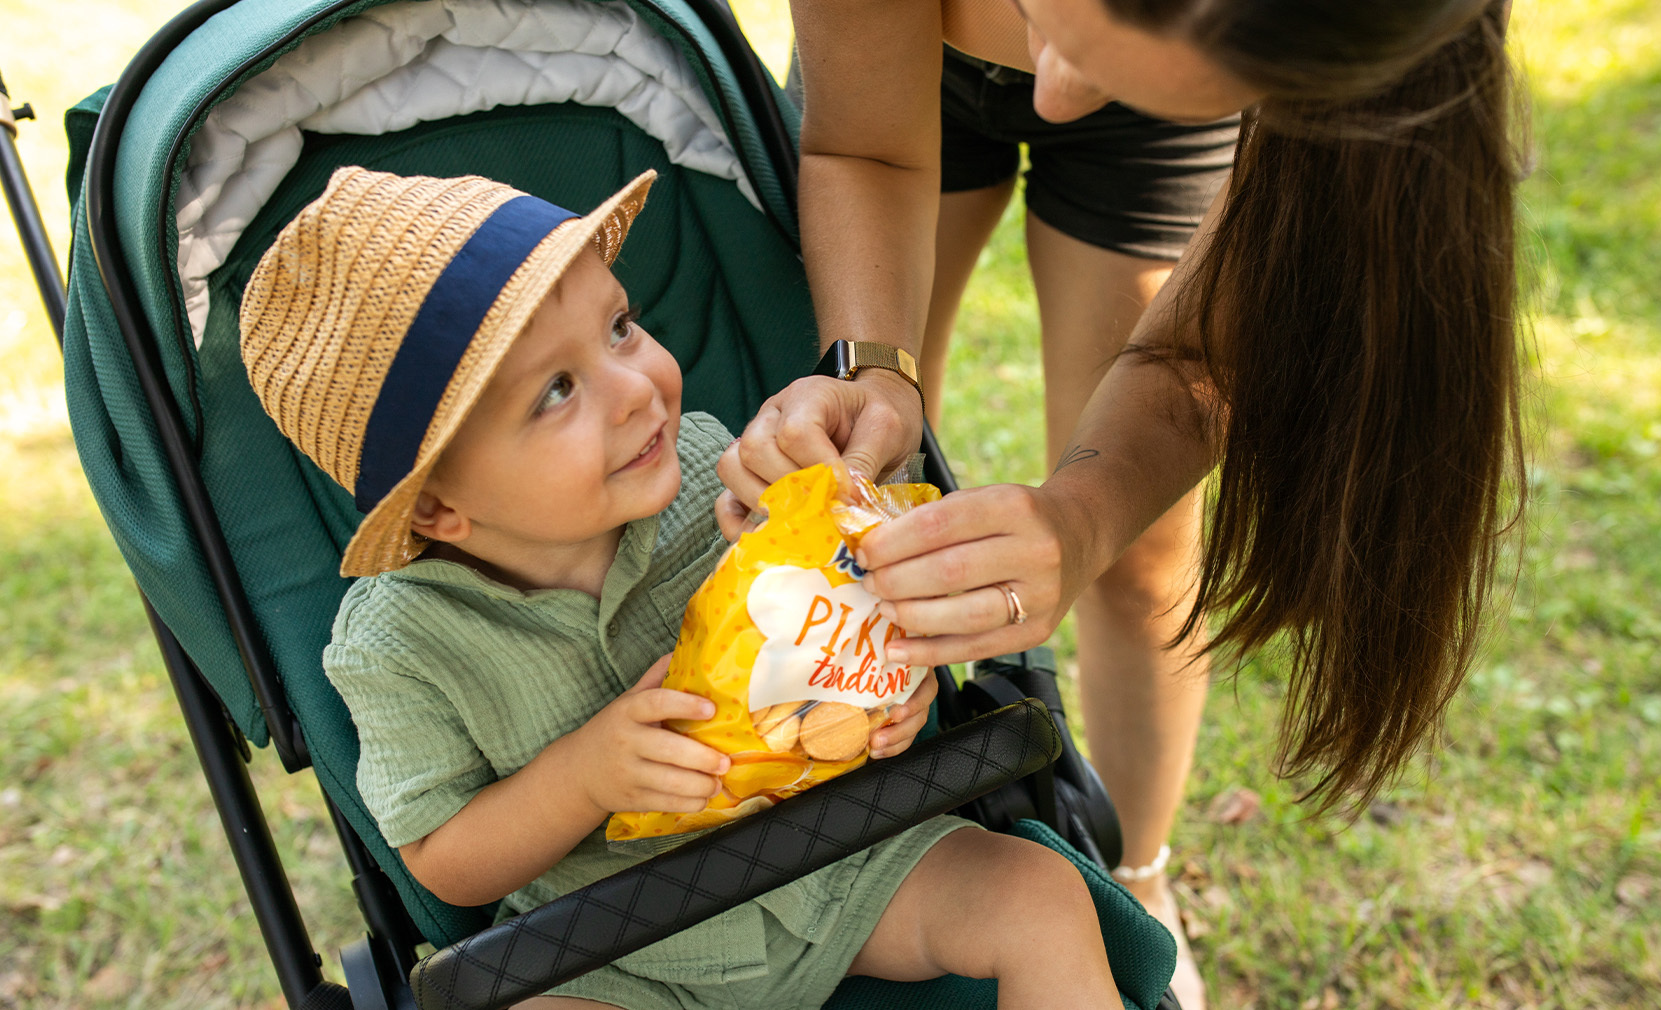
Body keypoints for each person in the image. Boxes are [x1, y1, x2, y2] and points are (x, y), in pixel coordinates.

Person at [721, 2, 1525, 1005]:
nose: (1053, 94)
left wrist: (1086, 516)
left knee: (1143, 555)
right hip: (897, 70)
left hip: (1163, 116)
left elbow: (1195, 357)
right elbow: (865, 148)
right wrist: (874, 370)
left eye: (1087, 62)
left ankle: (1138, 866)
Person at [238, 166, 1127, 1010]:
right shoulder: (399, 645)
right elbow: (439, 857)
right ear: (437, 507)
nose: (635, 389)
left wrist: (890, 691)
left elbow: (843, 622)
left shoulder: (718, 467)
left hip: (846, 859)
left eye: (618, 326)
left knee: (1038, 893)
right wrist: (583, 781)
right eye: (556, 390)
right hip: (615, 948)